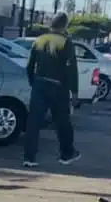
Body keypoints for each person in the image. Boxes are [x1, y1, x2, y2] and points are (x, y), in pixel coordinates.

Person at [22, 12, 81, 168]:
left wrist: (33, 83)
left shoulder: (39, 41)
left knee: (33, 123)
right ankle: (66, 154)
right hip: (58, 87)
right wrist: (74, 93)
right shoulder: (66, 43)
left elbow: (29, 66)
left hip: (39, 86)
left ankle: (29, 158)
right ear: (65, 26)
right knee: (62, 122)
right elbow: (72, 71)